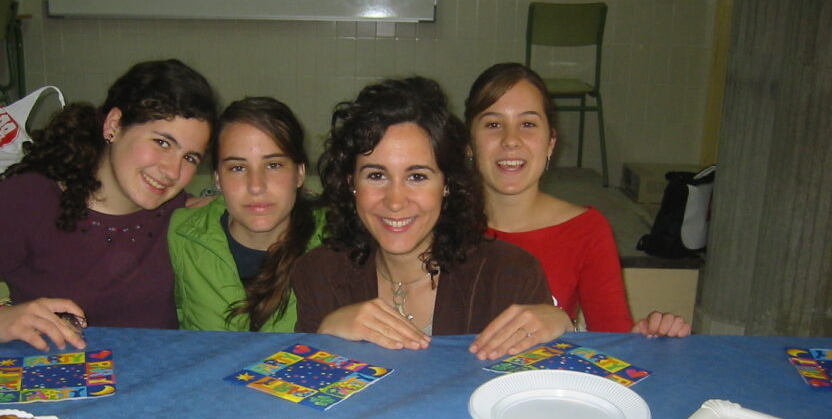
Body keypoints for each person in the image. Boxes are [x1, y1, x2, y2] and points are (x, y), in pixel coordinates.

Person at [0, 59, 217, 350]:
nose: (172, 171)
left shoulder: (183, 215)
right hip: (55, 403)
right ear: (114, 125)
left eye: (190, 157)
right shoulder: (31, 203)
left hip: (161, 397)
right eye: (161, 142)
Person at [292, 76, 572, 359]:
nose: (395, 201)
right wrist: (323, 337)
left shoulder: (510, 275)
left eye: (417, 176)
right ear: (351, 182)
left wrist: (567, 332)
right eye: (376, 175)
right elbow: (297, 394)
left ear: (447, 183)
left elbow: (543, 389)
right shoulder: (319, 274)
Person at [465, 62, 691, 337]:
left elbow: (612, 339)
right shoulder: (440, 224)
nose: (511, 140)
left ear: (550, 143)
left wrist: (647, 338)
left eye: (527, 124)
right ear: (469, 144)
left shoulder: (586, 230)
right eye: (493, 124)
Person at [168, 96, 322, 332]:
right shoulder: (181, 235)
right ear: (218, 178)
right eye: (238, 168)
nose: (256, 186)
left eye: (273, 165)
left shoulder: (337, 243)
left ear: (300, 173)